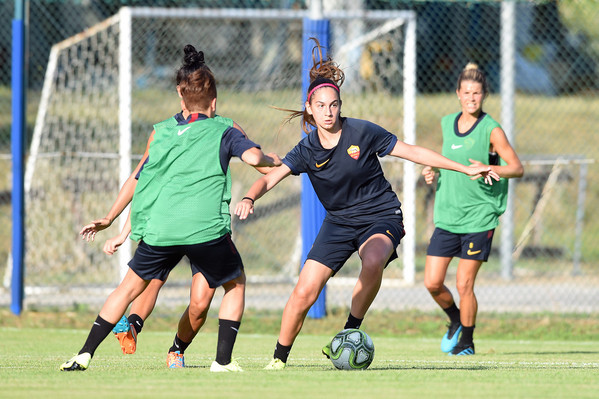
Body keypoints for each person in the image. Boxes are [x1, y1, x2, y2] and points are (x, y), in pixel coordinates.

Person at [233, 39, 499, 370]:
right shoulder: (306, 150)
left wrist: (464, 167)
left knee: (373, 259)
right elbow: (269, 178)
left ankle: (349, 331)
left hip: (381, 215)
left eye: (334, 105)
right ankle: (278, 359)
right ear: (309, 108)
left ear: (340, 105)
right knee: (305, 291)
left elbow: (412, 151)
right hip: (339, 223)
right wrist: (248, 196)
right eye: (321, 106)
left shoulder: (361, 132)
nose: (328, 112)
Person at [60, 44, 281, 372]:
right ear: (215, 102)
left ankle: (85, 353)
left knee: (139, 290)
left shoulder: (161, 133)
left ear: (181, 97)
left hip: (160, 228)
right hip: (203, 229)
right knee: (235, 283)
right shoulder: (225, 129)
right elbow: (255, 160)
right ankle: (222, 361)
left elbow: (137, 179)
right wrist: (283, 162)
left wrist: (112, 218)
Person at [79, 97, 271, 357]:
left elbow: (257, 163)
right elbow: (144, 180)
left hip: (192, 223)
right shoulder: (164, 132)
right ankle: (141, 330)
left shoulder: (223, 129)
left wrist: (119, 228)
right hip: (188, 228)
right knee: (155, 280)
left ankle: (166, 345)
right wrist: (116, 223)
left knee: (196, 302)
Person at [422, 63, 524, 356]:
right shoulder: (446, 123)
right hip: (447, 215)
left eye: (476, 93)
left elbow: (516, 168)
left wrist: (489, 167)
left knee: (464, 282)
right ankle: (454, 319)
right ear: (458, 94)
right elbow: (448, 160)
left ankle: (467, 341)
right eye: (466, 92)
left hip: (479, 216)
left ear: (484, 95)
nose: (471, 97)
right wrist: (432, 170)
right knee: (432, 282)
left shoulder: (491, 129)